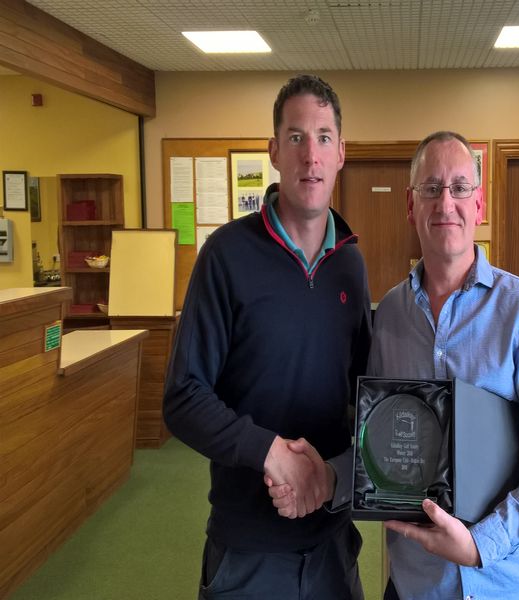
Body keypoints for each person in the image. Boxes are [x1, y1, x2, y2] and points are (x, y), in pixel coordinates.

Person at [162, 74, 371, 600]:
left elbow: (365, 395)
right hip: (247, 552)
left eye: (324, 137)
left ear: (341, 152)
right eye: (296, 137)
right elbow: (183, 395)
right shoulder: (226, 255)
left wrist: (336, 476)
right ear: (275, 151)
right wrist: (269, 452)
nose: (311, 155)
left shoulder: (350, 262)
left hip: (330, 544)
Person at [368, 131, 519, 600]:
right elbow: (376, 439)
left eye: (459, 187)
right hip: (415, 586)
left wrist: (480, 545)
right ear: (411, 206)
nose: (445, 203)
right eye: (430, 188)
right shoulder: (388, 316)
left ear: (479, 204)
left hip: (506, 585)